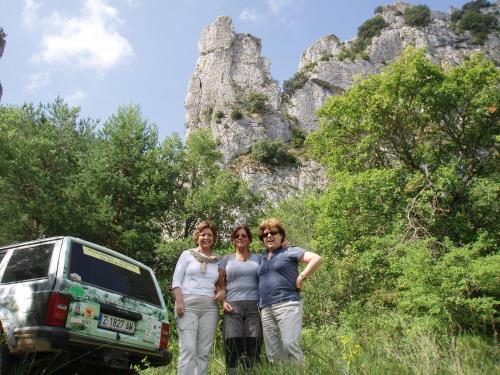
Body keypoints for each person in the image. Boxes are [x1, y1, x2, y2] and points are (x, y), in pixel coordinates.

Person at [257, 218, 322, 365]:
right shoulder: (261, 257)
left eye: (273, 232)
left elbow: (316, 259)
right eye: (265, 234)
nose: (269, 236)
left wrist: (301, 276)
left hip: (287, 303)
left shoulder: (290, 251)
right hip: (266, 308)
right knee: (273, 353)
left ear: (281, 236)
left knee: (289, 345)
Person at [172, 220, 221, 375]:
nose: (206, 237)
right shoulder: (187, 255)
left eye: (210, 235)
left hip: (209, 308)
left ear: (214, 239)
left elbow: (220, 286)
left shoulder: (217, 260)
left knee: (203, 351)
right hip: (187, 305)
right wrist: (179, 302)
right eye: (203, 234)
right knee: (188, 348)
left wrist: (222, 293)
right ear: (197, 236)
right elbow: (176, 281)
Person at [217, 224, 262, 374]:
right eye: (237, 236)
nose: (240, 238)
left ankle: (252, 372)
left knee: (253, 344)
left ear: (249, 239)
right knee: (232, 343)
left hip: (254, 306)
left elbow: (274, 257)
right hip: (232, 307)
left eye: (244, 235)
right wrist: (223, 302)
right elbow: (219, 285)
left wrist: (285, 244)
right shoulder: (225, 260)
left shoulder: (259, 258)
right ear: (233, 240)